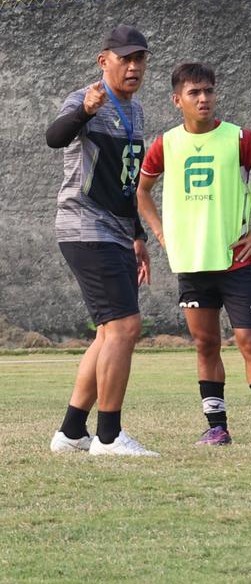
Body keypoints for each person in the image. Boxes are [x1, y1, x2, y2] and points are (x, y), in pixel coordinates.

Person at [137, 63, 251, 445]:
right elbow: (141, 191)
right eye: (194, 93)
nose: (203, 98)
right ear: (178, 100)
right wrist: (159, 231)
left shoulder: (239, 138)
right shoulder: (165, 144)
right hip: (191, 263)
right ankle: (217, 428)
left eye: (208, 91)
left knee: (249, 341)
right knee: (205, 344)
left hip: (235, 261)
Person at [46, 25, 157, 457]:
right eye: (125, 58)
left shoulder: (137, 112)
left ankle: (73, 432)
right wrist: (85, 112)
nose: (133, 66)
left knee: (108, 332)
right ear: (103, 60)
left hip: (115, 231)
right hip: (84, 226)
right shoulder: (86, 97)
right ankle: (108, 437)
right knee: (126, 328)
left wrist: (137, 235)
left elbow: (126, 183)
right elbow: (54, 138)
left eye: (140, 59)